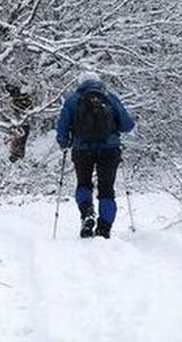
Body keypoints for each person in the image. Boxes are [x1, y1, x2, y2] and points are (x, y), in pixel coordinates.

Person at [55, 70, 135, 239]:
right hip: (110, 149)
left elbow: (62, 127)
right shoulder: (110, 97)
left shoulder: (72, 100)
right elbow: (127, 125)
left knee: (83, 184)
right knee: (107, 189)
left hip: (82, 150)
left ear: (80, 83)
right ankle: (104, 228)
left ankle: (87, 214)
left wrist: (64, 143)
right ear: (98, 82)